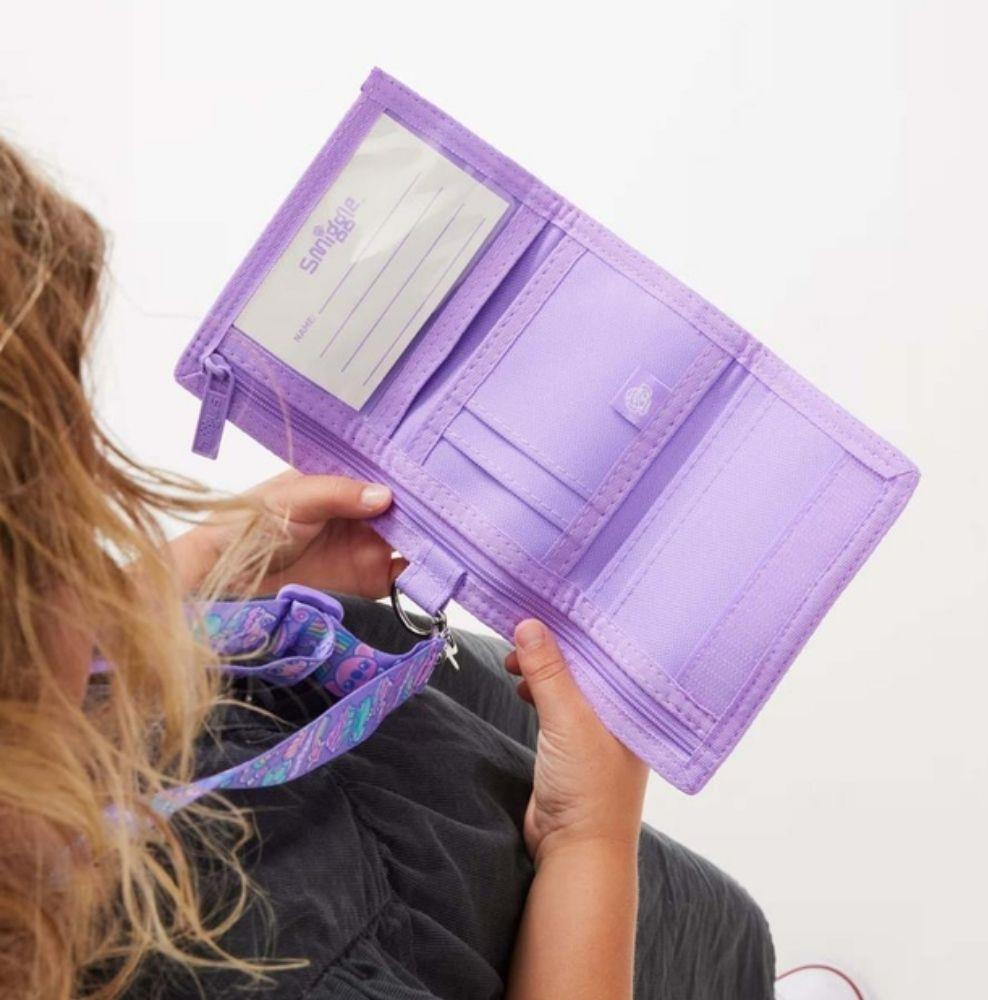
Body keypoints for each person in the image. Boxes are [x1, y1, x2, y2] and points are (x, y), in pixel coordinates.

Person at [0, 135, 781, 1000]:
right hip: (459, 917)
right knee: (696, 945)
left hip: (348, 717)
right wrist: (586, 840)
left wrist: (186, 578)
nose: (98, 542)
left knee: (703, 915)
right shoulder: (235, 967)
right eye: (65, 526)